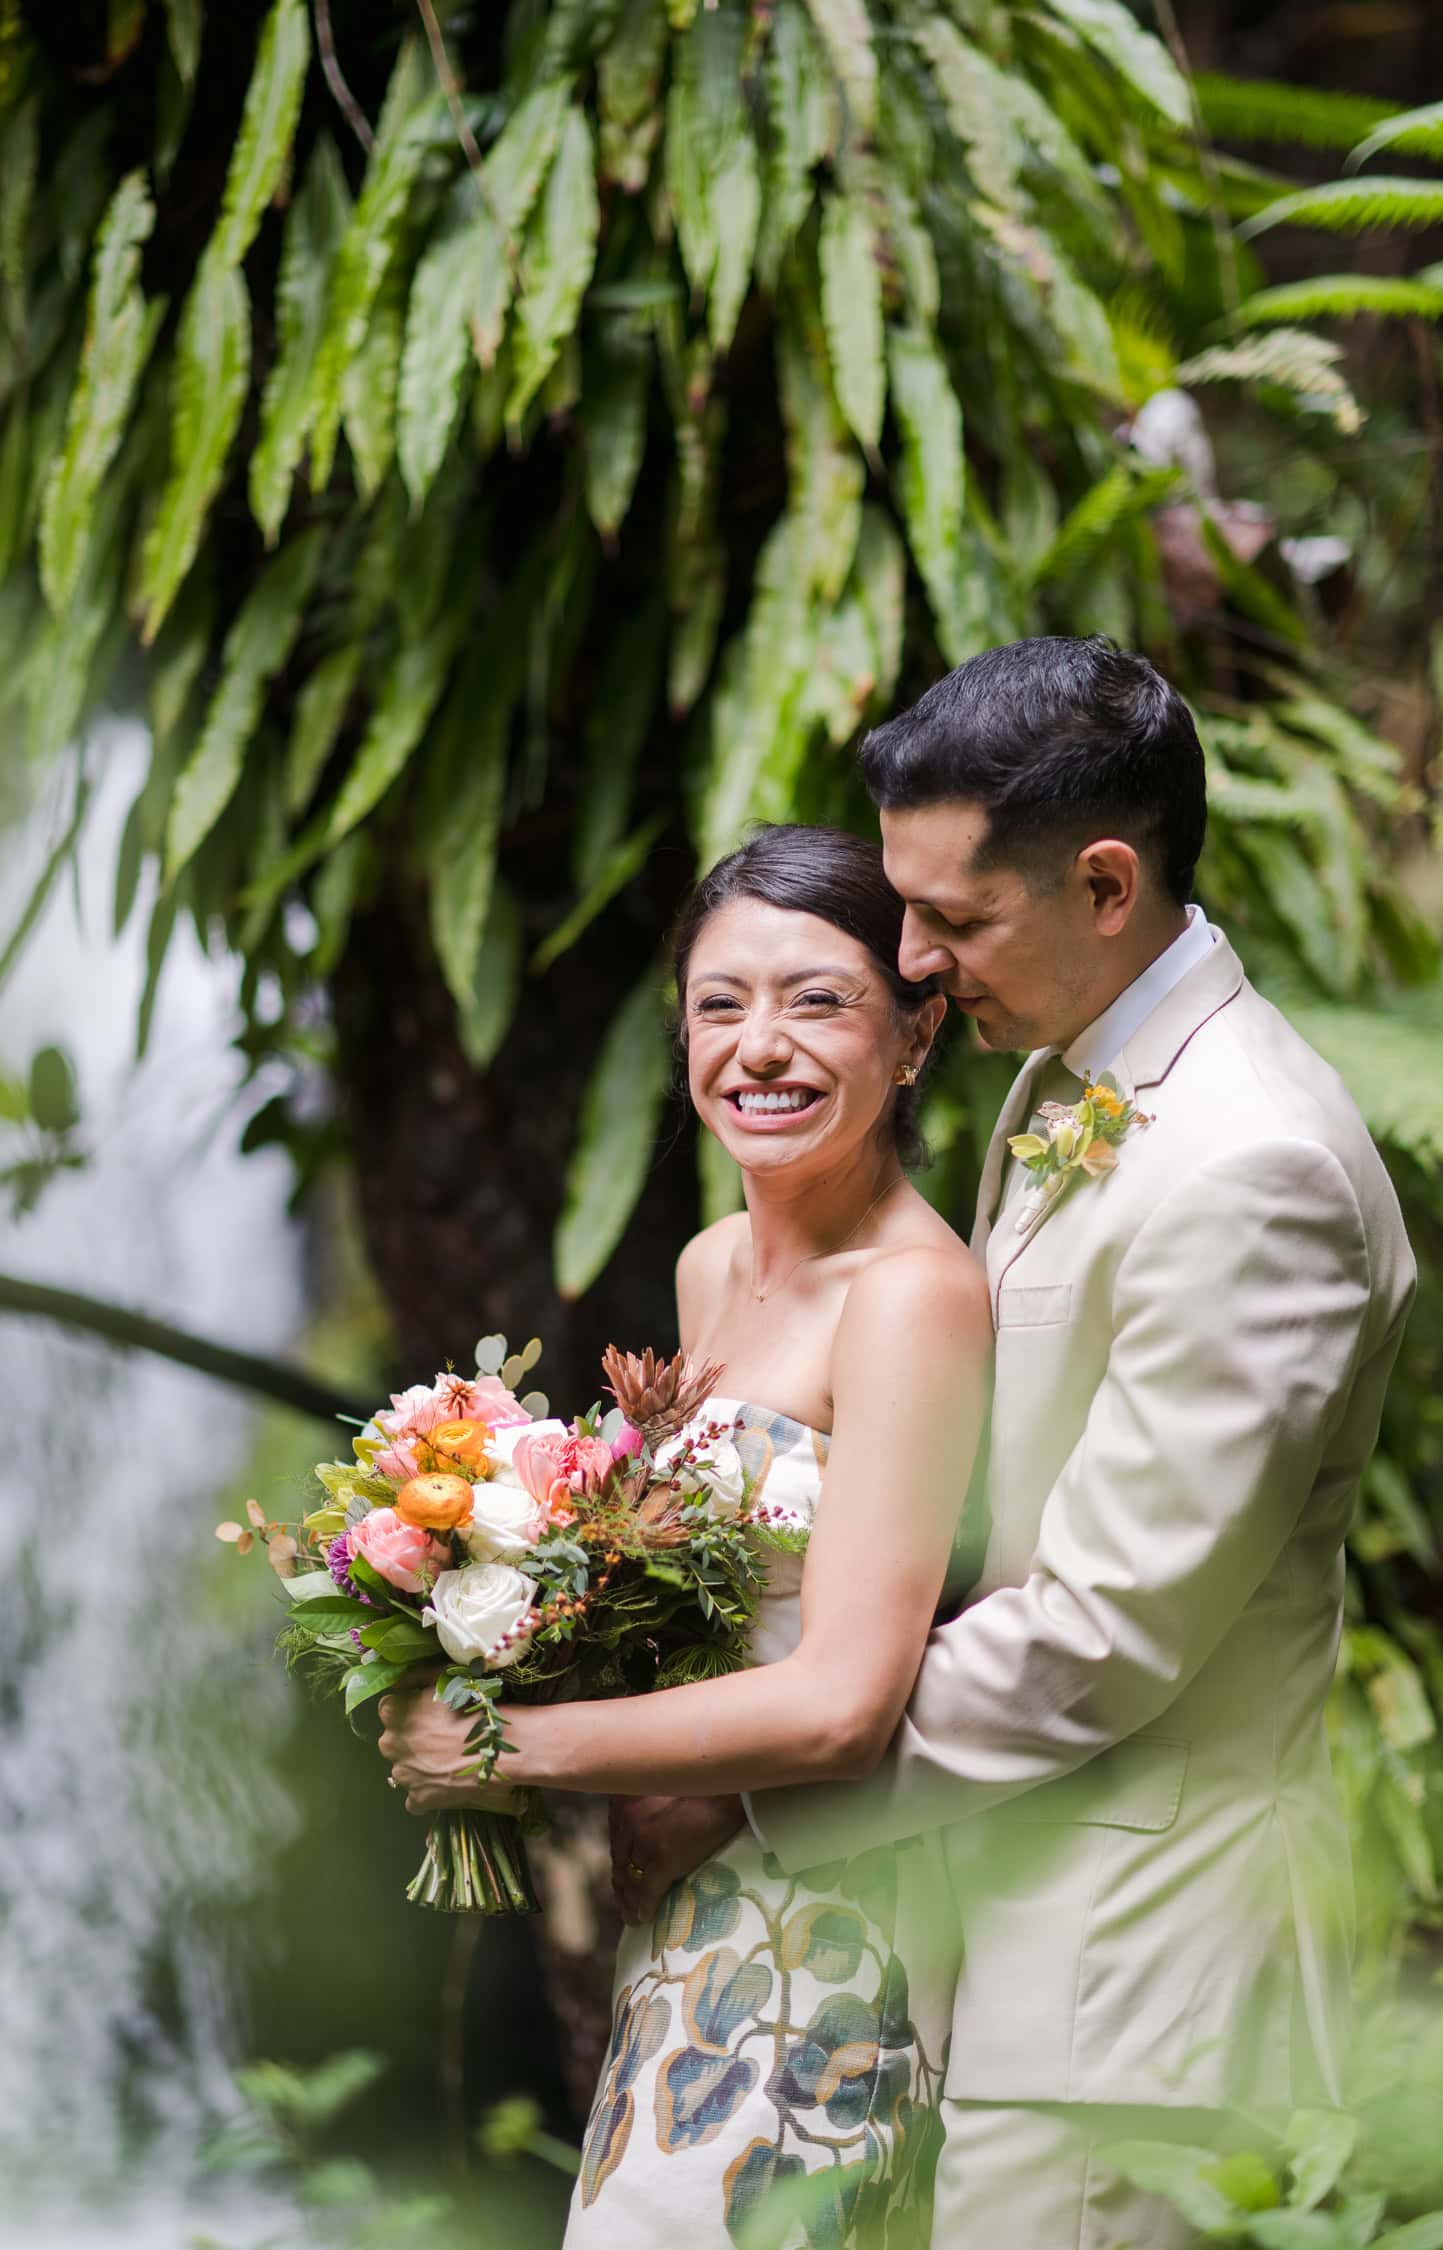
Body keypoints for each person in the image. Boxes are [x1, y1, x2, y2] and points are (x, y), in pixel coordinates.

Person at [603, 637, 1418, 2246]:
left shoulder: (1253, 1161)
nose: (912, 959)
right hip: (995, 1940)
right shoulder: (1079, 1075)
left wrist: (755, 1782)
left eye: (951, 921)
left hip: (1128, 1991)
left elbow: (1104, 1631)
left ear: (1105, 884)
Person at [378, 824, 994, 2247]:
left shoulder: (913, 1299)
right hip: (685, 1922)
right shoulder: (712, 1264)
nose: (759, 1048)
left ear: (914, 1037)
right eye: (721, 1005)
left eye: (817, 1000)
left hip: (821, 1935)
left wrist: (507, 1746)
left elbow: (848, 1698)